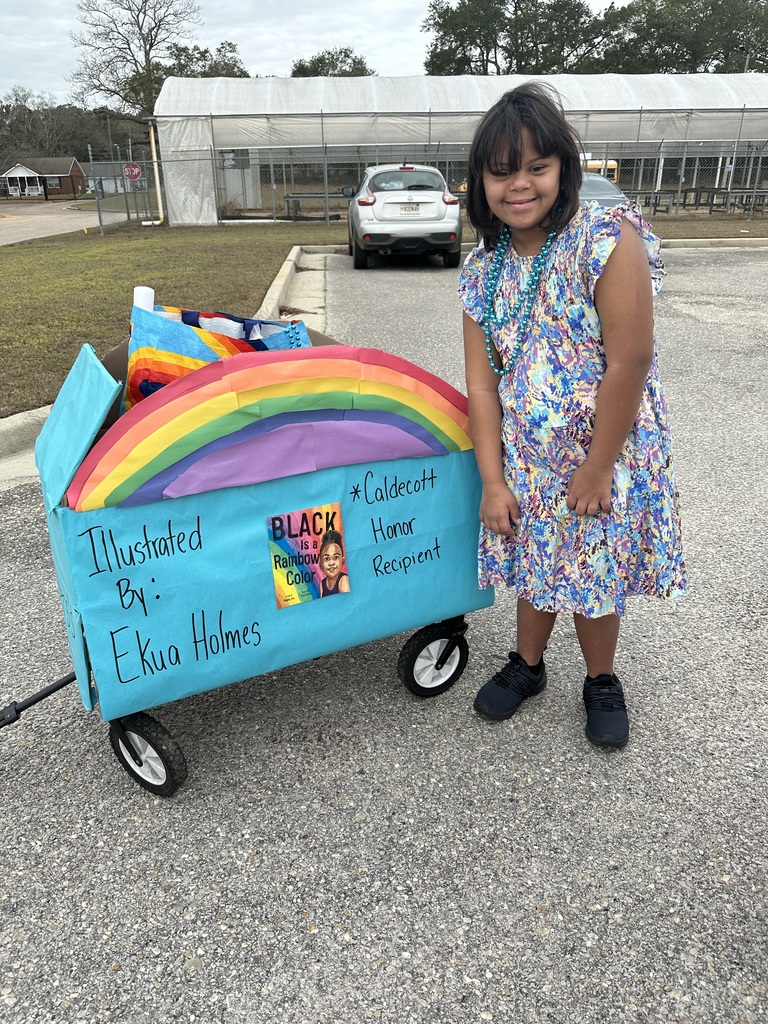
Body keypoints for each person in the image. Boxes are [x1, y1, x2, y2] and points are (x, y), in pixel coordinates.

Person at [459, 82, 686, 748]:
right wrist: (492, 479)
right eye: (502, 172)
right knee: (534, 558)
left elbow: (630, 360)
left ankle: (600, 677)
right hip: (527, 457)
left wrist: (597, 467)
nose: (520, 185)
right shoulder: (481, 269)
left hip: (601, 453)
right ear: (482, 181)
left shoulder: (603, 238)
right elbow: (480, 384)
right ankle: (527, 666)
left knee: (592, 566)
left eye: (537, 166)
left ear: (563, 167)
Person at [318, 529, 350, 597]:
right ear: (320, 564)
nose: (331, 563)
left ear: (342, 560)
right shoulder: (322, 584)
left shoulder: (344, 580)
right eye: (326, 559)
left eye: (335, 557)